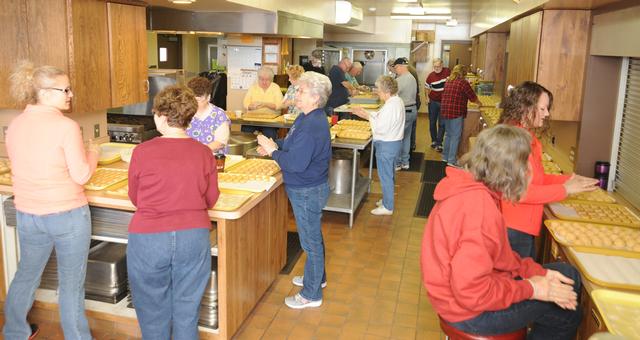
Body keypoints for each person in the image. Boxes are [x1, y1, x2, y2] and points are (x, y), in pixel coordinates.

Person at [421, 124, 582, 339]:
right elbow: (471, 293)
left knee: (567, 275)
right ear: (511, 170)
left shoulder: (471, 189)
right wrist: (532, 289)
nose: (530, 171)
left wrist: (537, 273)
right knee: (566, 311)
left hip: (459, 298)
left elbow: (501, 258)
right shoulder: (479, 210)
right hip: (469, 314)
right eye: (527, 163)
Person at [4, 61, 100, 340]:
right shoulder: (65, 126)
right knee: (71, 284)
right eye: (65, 89)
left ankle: (14, 332)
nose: (70, 94)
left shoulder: (16, 124)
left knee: (26, 274)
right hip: (67, 215)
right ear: (45, 93)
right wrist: (93, 153)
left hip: (28, 214)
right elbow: (81, 175)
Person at [127, 85, 220, 339]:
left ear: (159, 115)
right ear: (188, 118)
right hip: (193, 236)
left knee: (152, 310)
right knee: (187, 309)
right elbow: (211, 199)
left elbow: (135, 198)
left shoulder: (142, 152)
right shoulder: (204, 153)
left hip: (149, 238)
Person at [256, 71, 332, 309]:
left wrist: (272, 152)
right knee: (313, 237)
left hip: (307, 189)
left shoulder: (311, 125)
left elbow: (295, 164)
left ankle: (311, 295)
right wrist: (275, 145)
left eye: (301, 91)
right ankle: (317, 278)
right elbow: (291, 144)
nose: (296, 94)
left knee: (310, 243)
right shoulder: (306, 117)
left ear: (315, 98)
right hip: (308, 187)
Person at [499, 81, 599, 258]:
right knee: (520, 282)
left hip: (521, 227)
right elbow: (520, 192)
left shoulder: (526, 137)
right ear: (526, 108)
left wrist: (568, 180)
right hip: (513, 229)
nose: (547, 113)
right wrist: (565, 189)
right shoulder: (515, 142)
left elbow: (538, 179)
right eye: (543, 109)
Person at [352, 75, 405, 216]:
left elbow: (381, 127)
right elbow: (382, 118)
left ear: (387, 91)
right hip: (394, 143)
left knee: (385, 176)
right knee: (390, 175)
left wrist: (367, 116)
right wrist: (366, 114)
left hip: (387, 145)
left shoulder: (391, 106)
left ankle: (388, 207)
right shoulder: (396, 101)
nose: (377, 92)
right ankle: (388, 200)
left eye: (379, 90)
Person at [440, 64, 482, 166]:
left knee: (448, 134)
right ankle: (451, 160)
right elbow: (472, 97)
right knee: (455, 136)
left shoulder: (448, 81)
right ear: (464, 73)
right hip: (456, 112)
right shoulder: (463, 83)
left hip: (445, 111)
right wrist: (480, 103)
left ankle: (445, 157)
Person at [186, 76, 231, 153]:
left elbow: (220, 143)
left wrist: (197, 152)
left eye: (198, 100)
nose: (193, 104)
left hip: (212, 159)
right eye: (190, 99)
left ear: (208, 98)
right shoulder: (185, 112)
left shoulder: (219, 115)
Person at [242, 67, 283, 139]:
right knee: (245, 131)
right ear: (258, 78)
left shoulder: (275, 87)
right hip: (253, 119)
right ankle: (247, 149)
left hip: (270, 121)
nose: (264, 82)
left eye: (267, 80)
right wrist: (250, 106)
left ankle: (268, 149)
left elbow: (280, 105)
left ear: (271, 79)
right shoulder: (253, 87)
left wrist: (265, 104)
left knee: (270, 133)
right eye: (262, 79)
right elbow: (245, 103)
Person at [392, 57, 417, 171]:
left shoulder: (401, 79)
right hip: (412, 110)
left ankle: (397, 163)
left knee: (398, 138)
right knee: (406, 137)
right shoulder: (412, 77)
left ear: (401, 66)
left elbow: (391, 94)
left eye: (396, 68)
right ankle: (405, 162)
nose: (395, 70)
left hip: (403, 111)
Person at [425, 58, 451, 152]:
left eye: (438, 66)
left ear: (442, 65)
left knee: (442, 123)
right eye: (435, 66)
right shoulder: (430, 76)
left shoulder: (448, 71)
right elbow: (426, 87)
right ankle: (434, 141)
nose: (436, 68)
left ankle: (439, 143)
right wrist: (427, 98)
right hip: (433, 101)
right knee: (432, 123)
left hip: (444, 102)